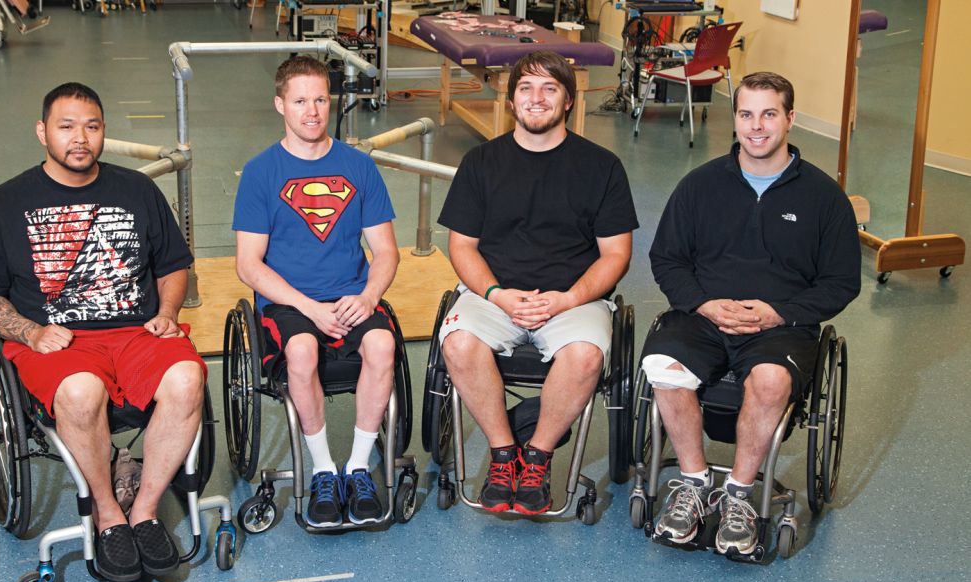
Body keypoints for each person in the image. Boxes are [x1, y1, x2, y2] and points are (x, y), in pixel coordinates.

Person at [0, 83, 207, 582]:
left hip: (136, 332)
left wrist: (169, 310)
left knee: (186, 378)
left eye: (91, 127)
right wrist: (28, 332)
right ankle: (109, 514)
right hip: (58, 341)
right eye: (66, 127)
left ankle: (146, 512)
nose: (80, 139)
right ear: (42, 132)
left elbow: (174, 264)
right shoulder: (4, 203)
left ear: (103, 133)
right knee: (79, 391)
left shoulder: (136, 191)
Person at [643, 72, 861, 555]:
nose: (756, 127)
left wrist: (778, 313)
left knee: (770, 383)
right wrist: (702, 302)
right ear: (735, 119)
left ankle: (739, 496)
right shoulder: (699, 186)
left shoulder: (824, 198)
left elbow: (842, 282)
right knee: (663, 367)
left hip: (779, 328)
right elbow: (667, 258)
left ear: (790, 118)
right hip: (703, 317)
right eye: (746, 114)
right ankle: (696, 485)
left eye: (768, 114)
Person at [437, 50, 638, 515]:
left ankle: (539, 456)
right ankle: (504, 453)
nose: (537, 98)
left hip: (572, 299)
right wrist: (496, 294)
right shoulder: (481, 162)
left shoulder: (601, 168)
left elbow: (616, 255)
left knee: (586, 355)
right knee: (459, 344)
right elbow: (462, 246)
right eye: (525, 88)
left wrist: (568, 298)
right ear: (511, 102)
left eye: (550, 88)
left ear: (568, 100)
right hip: (495, 294)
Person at [233, 56, 400, 529]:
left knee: (383, 344)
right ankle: (325, 469)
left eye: (321, 99)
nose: (312, 111)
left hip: (351, 294)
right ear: (280, 105)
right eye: (300, 100)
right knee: (302, 351)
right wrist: (308, 307)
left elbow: (385, 251)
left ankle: (360, 466)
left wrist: (368, 297)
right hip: (290, 301)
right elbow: (249, 264)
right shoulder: (261, 172)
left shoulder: (358, 167)